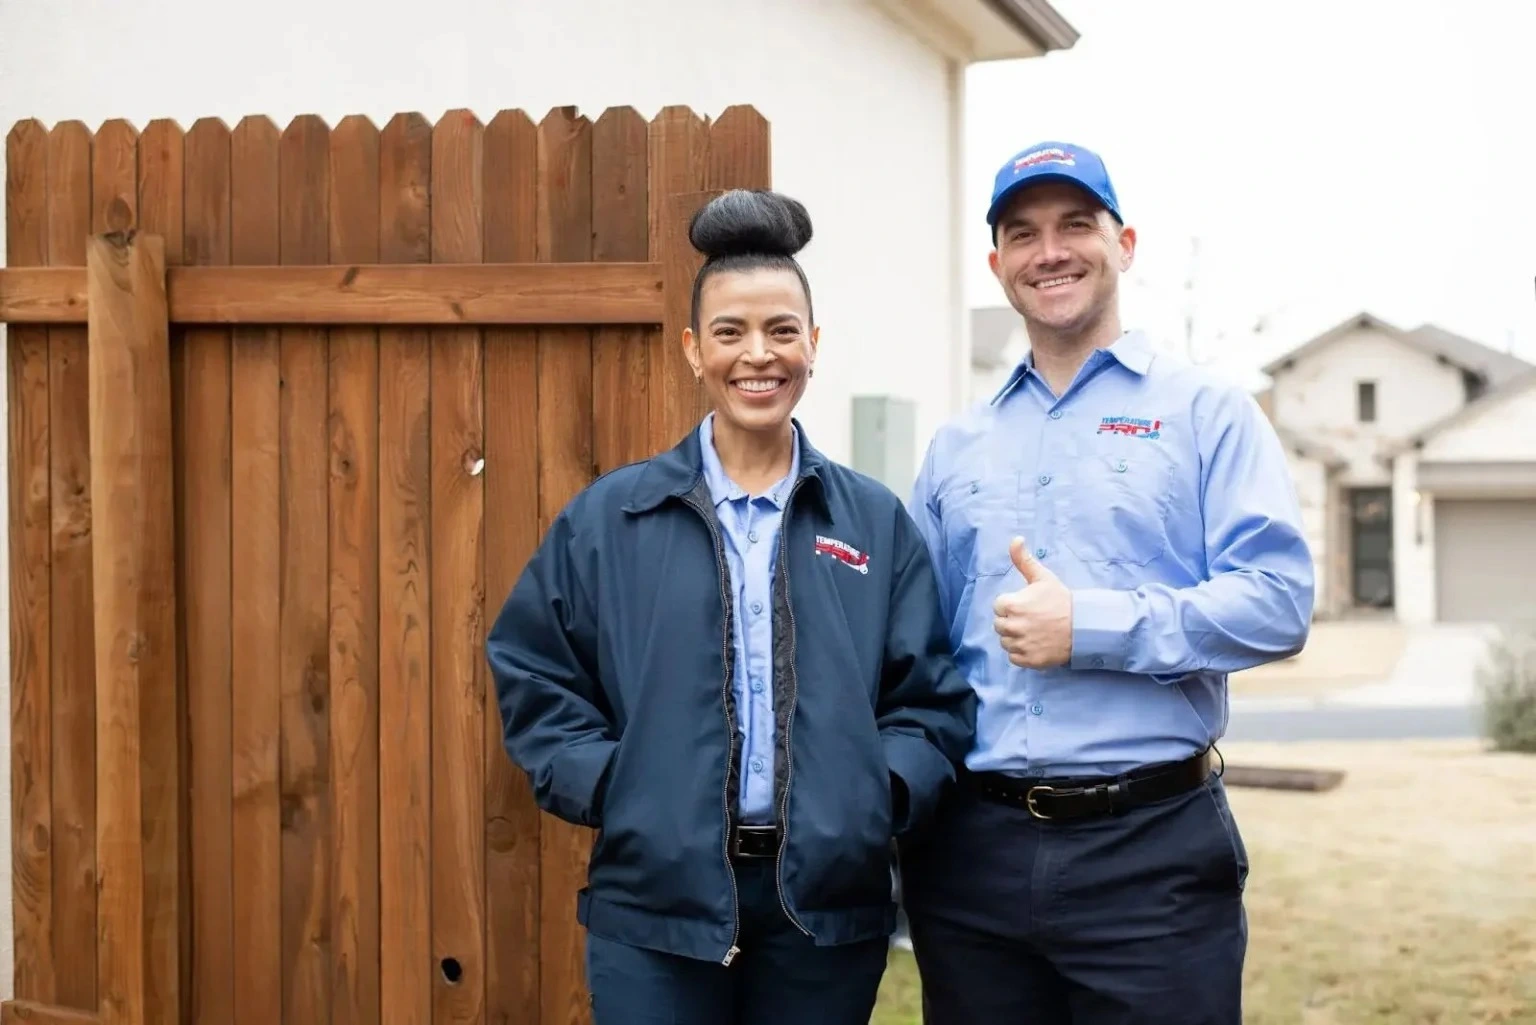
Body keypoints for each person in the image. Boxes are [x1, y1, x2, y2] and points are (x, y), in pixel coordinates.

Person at [486, 188, 976, 1025]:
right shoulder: (612, 518)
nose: (759, 354)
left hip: (823, 912)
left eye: (783, 330)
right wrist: (619, 785)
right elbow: (535, 671)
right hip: (656, 908)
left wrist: (872, 798)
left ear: (814, 346)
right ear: (692, 349)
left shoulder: (872, 523)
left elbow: (930, 700)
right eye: (731, 332)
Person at [897, 141, 1315, 1024]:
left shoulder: (1208, 414)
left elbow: (1277, 599)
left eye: (1075, 226)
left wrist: (1089, 624)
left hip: (1151, 856)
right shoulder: (956, 447)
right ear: (998, 264)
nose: (1050, 251)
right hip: (973, 857)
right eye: (1024, 233)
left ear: (1124, 244)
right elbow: (914, 650)